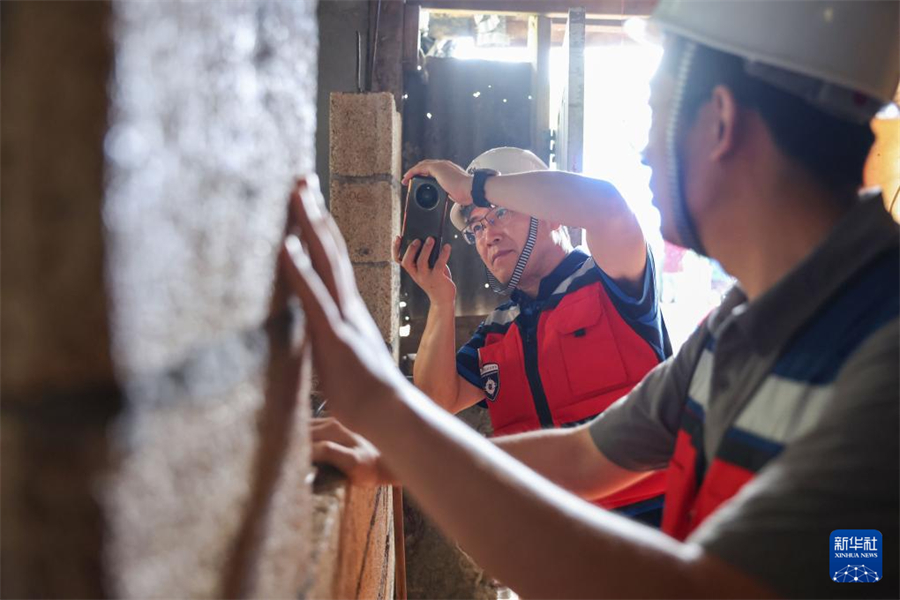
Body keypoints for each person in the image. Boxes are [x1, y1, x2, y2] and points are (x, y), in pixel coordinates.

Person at [289, 1, 899, 597]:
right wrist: (391, 452)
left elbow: (706, 587)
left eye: (656, 118)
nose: (643, 152)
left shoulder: (883, 349)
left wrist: (378, 407)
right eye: (474, 225)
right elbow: (585, 455)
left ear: (719, 121)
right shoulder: (735, 332)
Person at [394, 147, 671, 524]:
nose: (487, 235)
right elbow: (435, 401)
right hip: (552, 556)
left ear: (553, 217)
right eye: (476, 227)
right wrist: (440, 302)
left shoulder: (615, 283)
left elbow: (607, 208)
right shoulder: (497, 330)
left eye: (500, 213)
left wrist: (471, 186)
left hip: (655, 543)